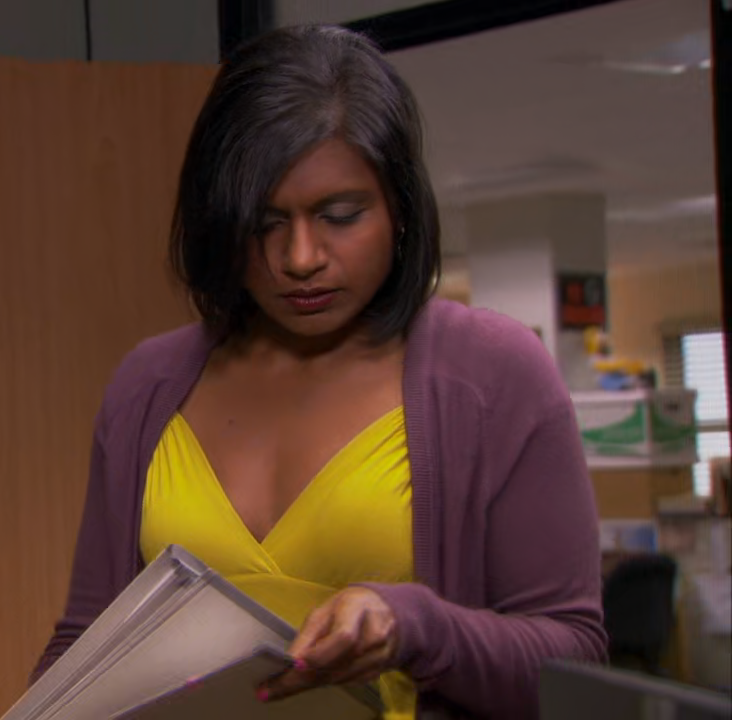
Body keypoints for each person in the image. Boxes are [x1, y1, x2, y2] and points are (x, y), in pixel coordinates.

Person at [30, 23, 607, 720]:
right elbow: (86, 648)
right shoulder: (148, 385)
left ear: (399, 210)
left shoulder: (492, 376)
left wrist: (413, 627)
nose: (300, 258)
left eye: (339, 215)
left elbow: (575, 663)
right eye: (264, 223)